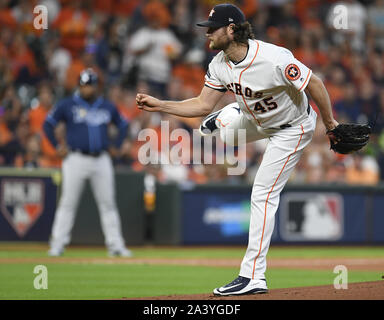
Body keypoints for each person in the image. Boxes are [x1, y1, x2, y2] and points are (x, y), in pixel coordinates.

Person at [136, 3, 339, 295]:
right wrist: (161, 104)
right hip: (257, 119)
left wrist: (330, 124)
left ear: (231, 30)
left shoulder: (273, 58)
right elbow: (202, 104)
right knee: (226, 137)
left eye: (212, 29)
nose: (207, 35)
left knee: (262, 193)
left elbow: (314, 83)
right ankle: (228, 115)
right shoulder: (219, 64)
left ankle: (253, 276)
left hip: (292, 127)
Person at [43, 68, 132, 257]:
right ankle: (57, 244)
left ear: (97, 86)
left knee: (108, 203)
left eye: (90, 85)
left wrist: (116, 145)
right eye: (84, 85)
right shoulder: (68, 104)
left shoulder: (106, 105)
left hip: (101, 159)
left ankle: (115, 245)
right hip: (75, 158)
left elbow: (123, 125)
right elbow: (48, 124)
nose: (87, 89)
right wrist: (56, 146)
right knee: (68, 203)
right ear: (79, 86)